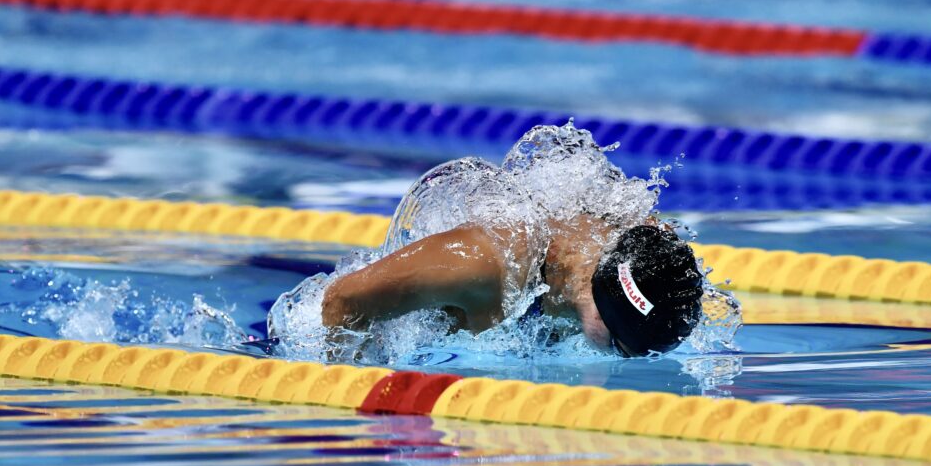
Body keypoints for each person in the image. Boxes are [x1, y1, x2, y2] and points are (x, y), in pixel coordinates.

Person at [269, 123, 713, 359]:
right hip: (319, 328)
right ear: (601, 310)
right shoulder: (488, 267)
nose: (622, 360)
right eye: (618, 346)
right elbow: (343, 300)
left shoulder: (643, 239)